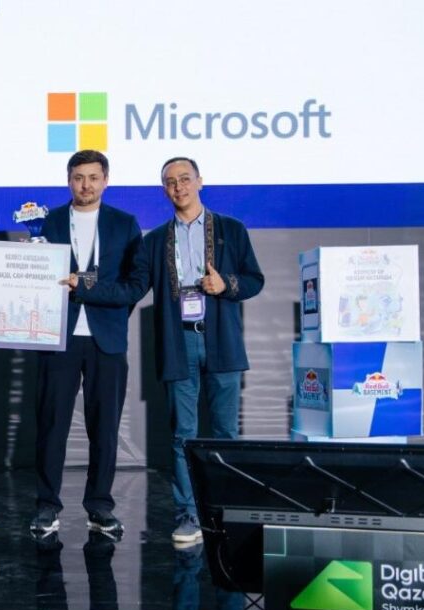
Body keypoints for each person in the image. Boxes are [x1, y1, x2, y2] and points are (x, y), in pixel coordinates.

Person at [87, 157, 265, 544]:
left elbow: (255, 279)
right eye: (170, 182)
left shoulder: (231, 230)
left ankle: (225, 510)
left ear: (200, 181)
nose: (178, 187)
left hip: (222, 340)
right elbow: (133, 289)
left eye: (185, 179)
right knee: (183, 435)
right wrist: (88, 295)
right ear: (164, 190)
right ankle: (188, 515)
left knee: (225, 432)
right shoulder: (154, 241)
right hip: (177, 341)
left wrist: (227, 285)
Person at [30, 149, 143, 537]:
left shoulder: (124, 224)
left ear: (106, 181)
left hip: (106, 338)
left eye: (94, 177)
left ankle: (100, 507)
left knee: (105, 428)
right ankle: (47, 506)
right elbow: (35, 278)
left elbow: (134, 285)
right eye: (78, 177)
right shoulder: (48, 222)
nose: (86, 185)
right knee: (51, 426)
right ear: (69, 181)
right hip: (57, 336)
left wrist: (90, 290)